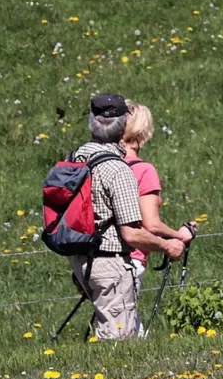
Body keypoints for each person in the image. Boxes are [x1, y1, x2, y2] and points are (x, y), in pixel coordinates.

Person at [69, 93, 185, 340]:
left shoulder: (77, 158)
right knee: (119, 343)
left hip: (81, 257)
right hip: (113, 260)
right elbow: (136, 230)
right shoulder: (120, 169)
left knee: (130, 334)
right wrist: (170, 244)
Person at [121, 100, 196, 330]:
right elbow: (151, 225)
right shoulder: (143, 170)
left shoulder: (101, 165)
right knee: (127, 333)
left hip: (95, 260)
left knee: (117, 327)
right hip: (129, 259)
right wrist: (180, 235)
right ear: (143, 133)